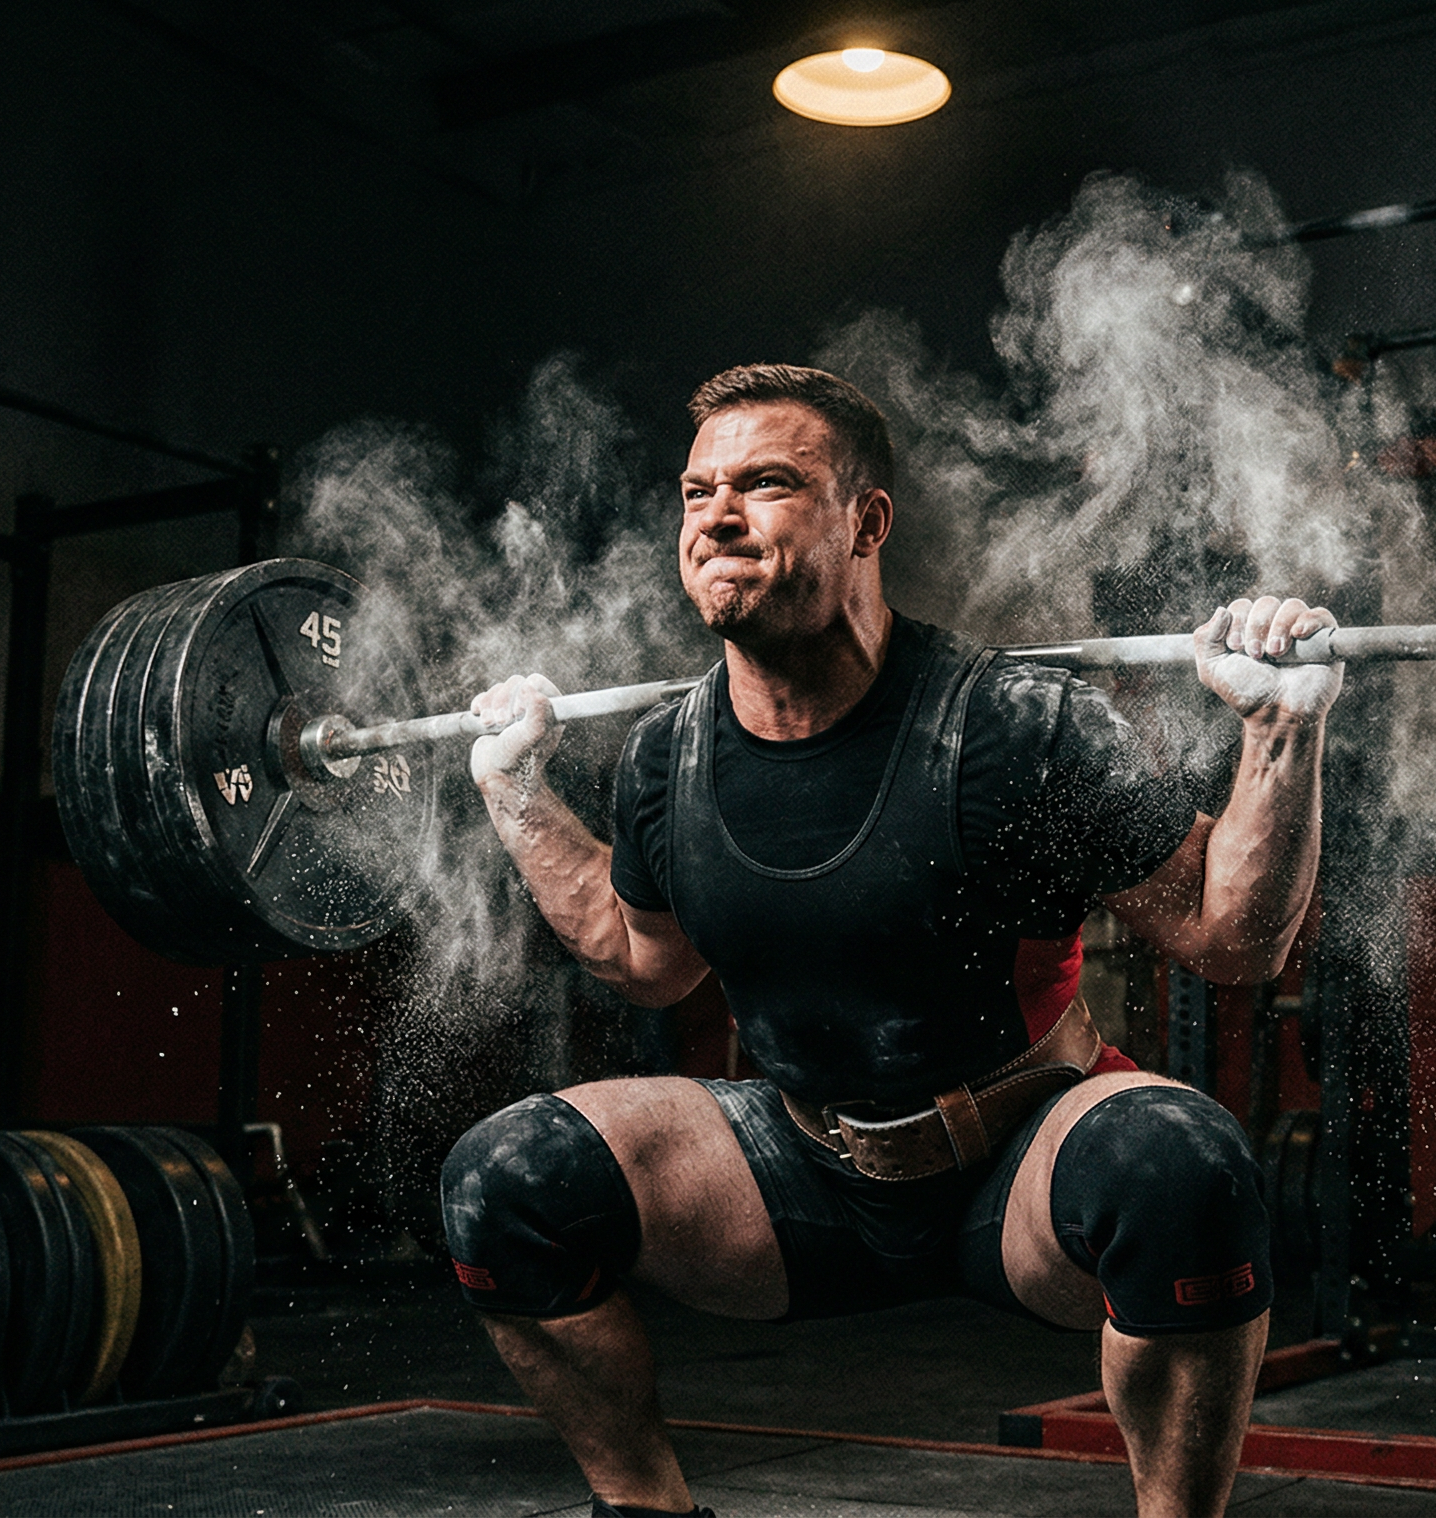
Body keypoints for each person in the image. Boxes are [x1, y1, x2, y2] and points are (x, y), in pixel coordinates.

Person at [442, 363, 1342, 1518]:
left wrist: (1278, 729)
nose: (716, 515)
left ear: (867, 521)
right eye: (695, 491)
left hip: (1018, 1162)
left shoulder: (1014, 725)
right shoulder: (666, 757)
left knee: (1183, 1161)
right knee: (507, 1180)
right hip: (799, 1167)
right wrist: (511, 786)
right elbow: (642, 956)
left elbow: (1232, 940)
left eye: (766, 485)